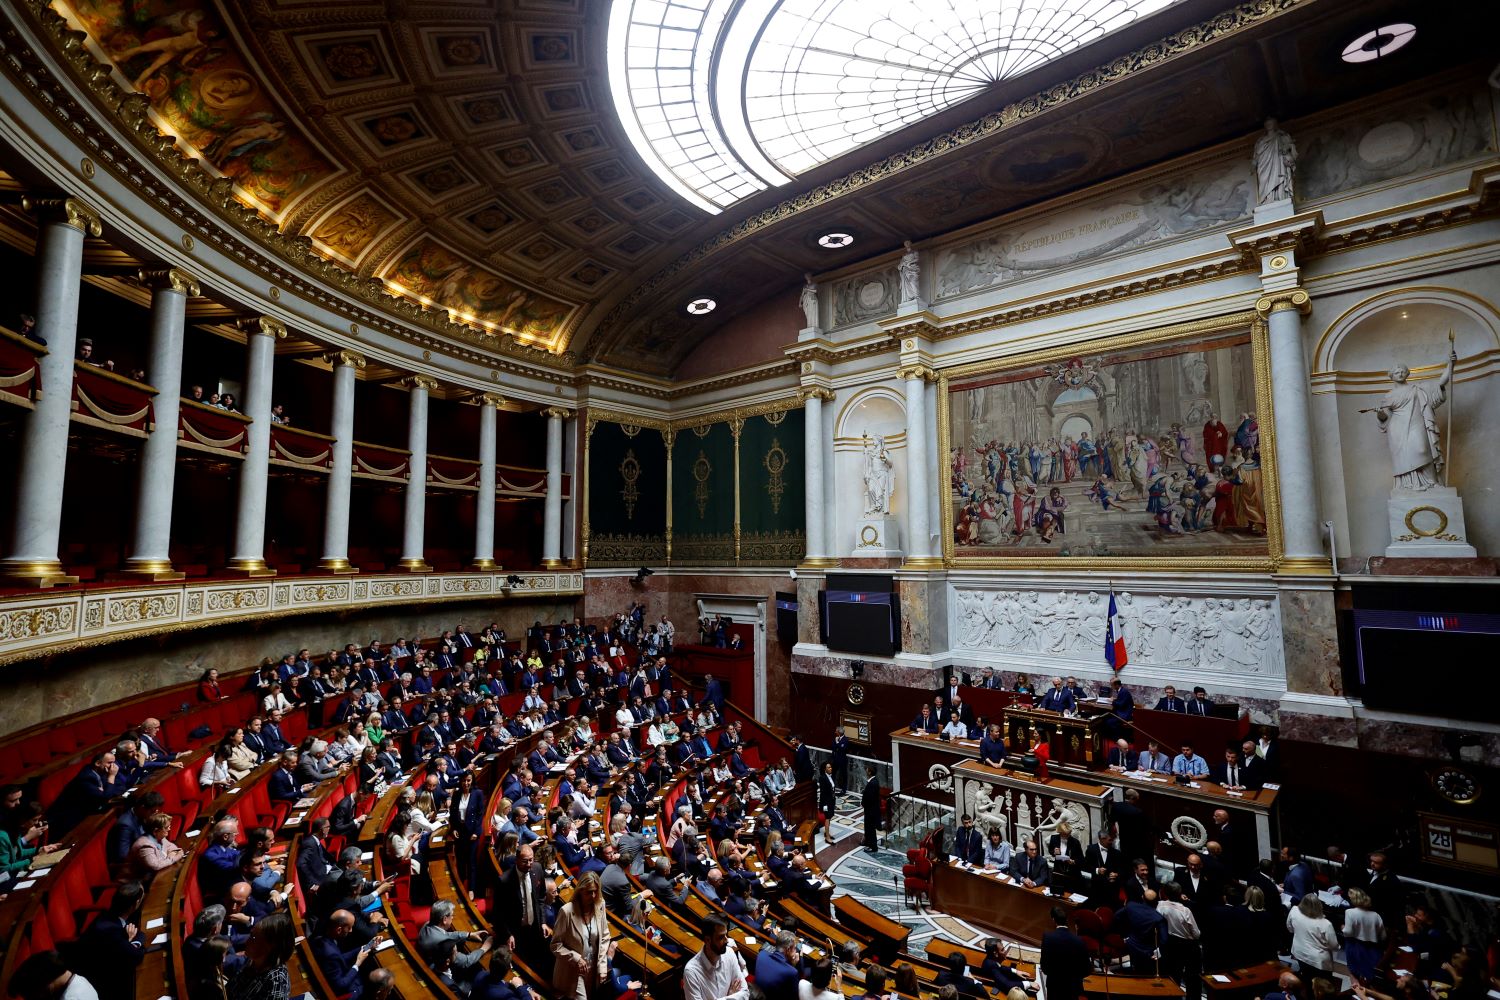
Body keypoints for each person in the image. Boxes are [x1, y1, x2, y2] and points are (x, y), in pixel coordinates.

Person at [551, 870, 611, 1000]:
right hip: (572, 971)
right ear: (580, 891)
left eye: (596, 891)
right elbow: (555, 945)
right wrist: (575, 958)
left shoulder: (600, 905)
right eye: (589, 892)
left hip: (593, 966)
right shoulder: (566, 911)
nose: (593, 896)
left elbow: (605, 937)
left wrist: (602, 965)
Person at [311, 910, 373, 1000]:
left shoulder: (321, 939)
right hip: (343, 992)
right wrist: (357, 963)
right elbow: (340, 985)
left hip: (333, 974)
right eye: (349, 927)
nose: (351, 930)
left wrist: (364, 947)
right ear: (339, 930)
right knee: (373, 984)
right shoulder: (330, 953)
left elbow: (339, 958)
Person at [1157, 882, 1202, 1000]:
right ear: (1180, 893)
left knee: (1174, 973)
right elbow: (1196, 934)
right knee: (1192, 976)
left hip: (1171, 944)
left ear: (1165, 893)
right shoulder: (1185, 910)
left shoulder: (1160, 906)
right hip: (1188, 945)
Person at [1040, 906, 1090, 1000]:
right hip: (1073, 987)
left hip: (1054, 986)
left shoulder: (1048, 937)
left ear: (1053, 920)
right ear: (1066, 920)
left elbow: (1044, 968)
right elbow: (1087, 969)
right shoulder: (1079, 940)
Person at [1116, 889, 1167, 975]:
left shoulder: (1131, 906)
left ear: (1142, 897)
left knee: (1135, 968)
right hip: (1147, 951)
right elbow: (1164, 940)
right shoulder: (1158, 918)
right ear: (1156, 902)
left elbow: (1117, 916)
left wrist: (1125, 934)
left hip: (1131, 944)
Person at [1286, 895, 1338, 975]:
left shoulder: (1294, 910)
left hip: (1299, 952)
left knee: (1306, 975)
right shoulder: (1326, 924)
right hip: (1318, 960)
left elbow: (1290, 928)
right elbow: (1333, 945)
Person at [1343, 888, 1385, 984]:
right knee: (1371, 979)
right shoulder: (1376, 915)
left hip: (1356, 948)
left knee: (1355, 976)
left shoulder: (1349, 912)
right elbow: (1383, 937)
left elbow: (1348, 933)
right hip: (1373, 950)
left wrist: (1343, 928)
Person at [754, 930, 802, 1000]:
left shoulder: (761, 954)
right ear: (788, 950)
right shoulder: (792, 972)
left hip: (757, 995)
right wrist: (793, 965)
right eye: (794, 948)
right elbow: (794, 997)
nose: (795, 950)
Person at [817, 762, 837, 845]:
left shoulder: (831, 777)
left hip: (831, 800)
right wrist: (824, 805)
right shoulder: (822, 778)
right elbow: (823, 793)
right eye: (828, 767)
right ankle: (827, 837)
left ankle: (827, 833)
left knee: (830, 816)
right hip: (826, 802)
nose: (830, 768)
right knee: (827, 818)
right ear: (824, 769)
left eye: (831, 767)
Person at [861, 770, 881, 854]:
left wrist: (863, 803)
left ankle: (873, 846)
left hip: (870, 810)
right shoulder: (874, 781)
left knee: (870, 828)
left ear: (869, 772)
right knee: (869, 827)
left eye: (867, 770)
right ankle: (868, 842)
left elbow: (869, 798)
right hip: (871, 809)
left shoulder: (872, 783)